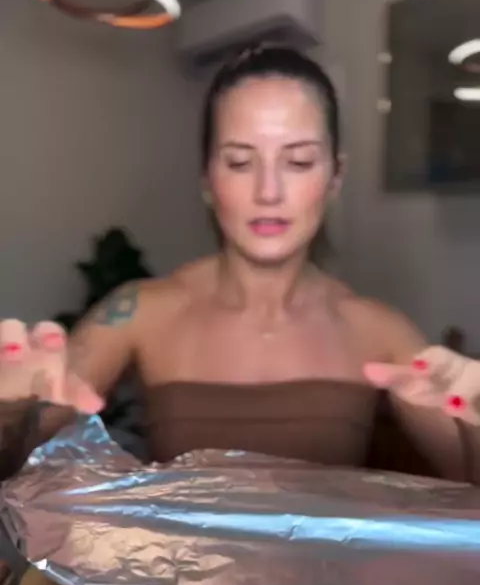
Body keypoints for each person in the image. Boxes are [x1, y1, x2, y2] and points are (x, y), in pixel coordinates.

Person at [1, 44, 480, 483]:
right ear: (207, 179)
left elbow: (468, 481)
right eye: (238, 162)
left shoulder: (379, 331)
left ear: (336, 176)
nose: (268, 192)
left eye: (298, 162)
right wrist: (10, 413)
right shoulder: (139, 310)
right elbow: (24, 443)